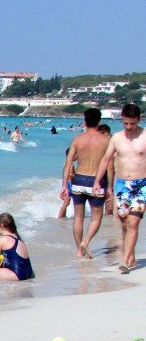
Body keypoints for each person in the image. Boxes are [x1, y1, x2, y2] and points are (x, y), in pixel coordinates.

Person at [95, 104, 146, 273]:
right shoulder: (116, 138)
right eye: (125, 123)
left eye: (132, 123)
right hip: (122, 185)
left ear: (139, 120)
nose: (129, 127)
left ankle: (125, 259)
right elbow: (105, 159)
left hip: (141, 185)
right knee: (125, 223)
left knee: (133, 222)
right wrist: (97, 182)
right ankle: (130, 255)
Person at [59, 108, 110, 258]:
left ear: (84, 121)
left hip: (78, 180)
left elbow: (68, 163)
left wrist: (64, 185)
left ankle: (79, 250)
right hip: (97, 181)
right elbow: (110, 166)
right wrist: (111, 187)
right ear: (99, 122)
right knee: (96, 217)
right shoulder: (106, 140)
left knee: (78, 217)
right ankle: (86, 241)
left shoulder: (77, 139)